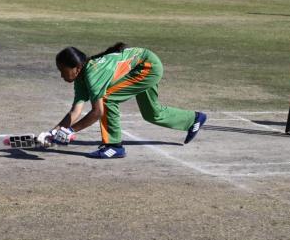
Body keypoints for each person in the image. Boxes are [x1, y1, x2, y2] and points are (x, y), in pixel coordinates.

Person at [39, 42, 207, 158]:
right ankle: (193, 119)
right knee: (152, 113)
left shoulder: (92, 74)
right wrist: (52, 132)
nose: (61, 75)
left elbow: (98, 112)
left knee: (107, 99)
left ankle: (114, 146)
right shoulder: (80, 78)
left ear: (76, 67)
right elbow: (75, 111)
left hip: (147, 66)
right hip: (142, 64)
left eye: (63, 70)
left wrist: (71, 131)